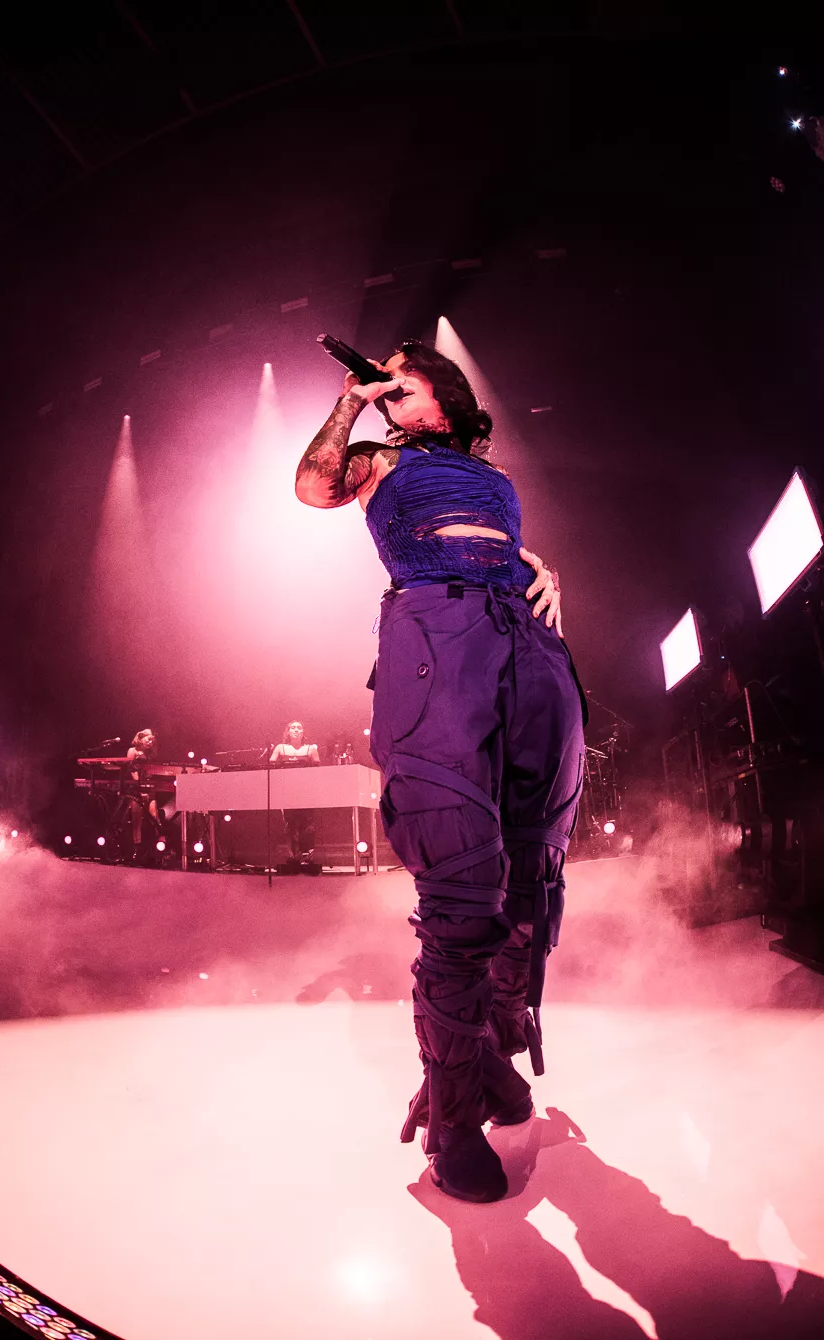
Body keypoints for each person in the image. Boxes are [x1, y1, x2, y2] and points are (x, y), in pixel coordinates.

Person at [295, 340, 586, 1203]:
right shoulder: (375, 458)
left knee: (531, 879)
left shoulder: (493, 476)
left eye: (402, 377)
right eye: (381, 381)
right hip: (436, 643)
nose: (388, 387)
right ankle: (453, 1117)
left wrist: (540, 568)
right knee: (459, 889)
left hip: (527, 647)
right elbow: (312, 487)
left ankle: (489, 1055)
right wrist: (352, 400)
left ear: (446, 393)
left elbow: (496, 546)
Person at [269, 721, 321, 861]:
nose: (296, 730)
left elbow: (318, 770)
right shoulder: (280, 748)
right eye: (293, 728)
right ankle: (292, 856)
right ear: (288, 732)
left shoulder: (311, 749)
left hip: (306, 791)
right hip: (287, 791)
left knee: (307, 824)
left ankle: (307, 855)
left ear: (303, 732)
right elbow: (271, 766)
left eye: (299, 728)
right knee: (289, 823)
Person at [124, 728, 162, 853]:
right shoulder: (132, 751)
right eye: (149, 739)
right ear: (141, 738)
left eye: (152, 741)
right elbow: (131, 769)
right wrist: (139, 787)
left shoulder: (150, 753)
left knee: (154, 816)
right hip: (136, 788)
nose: (151, 742)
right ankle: (137, 847)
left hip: (149, 786)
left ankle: (160, 844)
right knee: (137, 819)